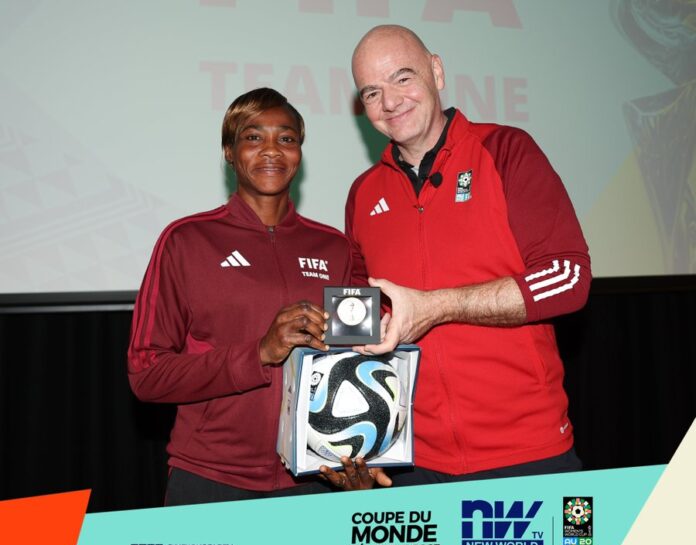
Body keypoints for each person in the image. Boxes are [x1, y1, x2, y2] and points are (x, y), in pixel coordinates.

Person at [338, 25, 592, 487]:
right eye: (372, 92)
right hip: (412, 464)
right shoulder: (363, 193)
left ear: (436, 71)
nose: (390, 101)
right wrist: (364, 438)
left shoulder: (506, 151)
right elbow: (359, 325)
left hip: (528, 454)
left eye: (402, 78)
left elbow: (568, 278)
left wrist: (439, 306)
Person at [127, 88, 378, 504]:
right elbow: (146, 376)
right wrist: (259, 353)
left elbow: (356, 362)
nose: (272, 150)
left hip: (314, 481)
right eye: (253, 137)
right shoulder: (187, 241)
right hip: (211, 478)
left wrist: (365, 452)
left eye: (287, 138)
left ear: (299, 153)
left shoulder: (334, 247)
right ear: (229, 151)